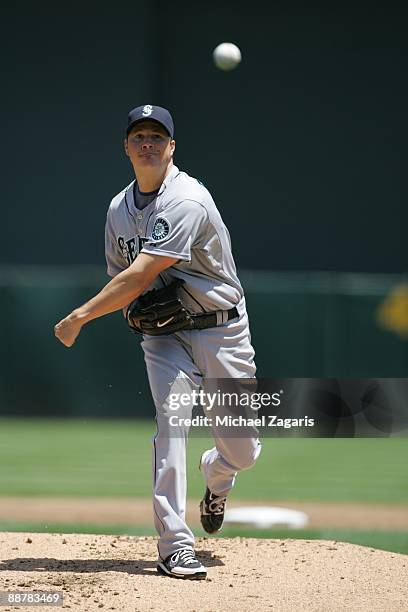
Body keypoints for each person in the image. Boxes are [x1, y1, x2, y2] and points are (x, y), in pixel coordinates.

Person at [54, 104, 261, 580]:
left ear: (171, 147)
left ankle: (220, 473)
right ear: (126, 147)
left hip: (220, 327)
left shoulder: (186, 199)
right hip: (166, 336)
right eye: (138, 136)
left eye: (156, 137)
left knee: (243, 449)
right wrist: (132, 309)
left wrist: (80, 317)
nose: (147, 143)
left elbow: (143, 272)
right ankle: (174, 546)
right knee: (170, 424)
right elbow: (123, 278)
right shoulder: (117, 209)